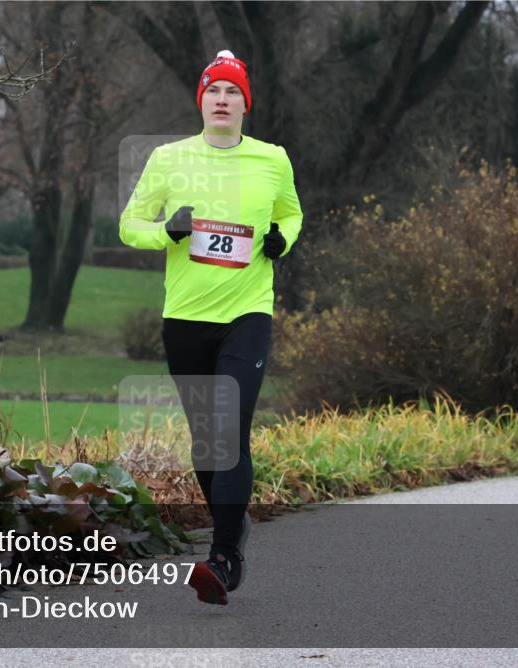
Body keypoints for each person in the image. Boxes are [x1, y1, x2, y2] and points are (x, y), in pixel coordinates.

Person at [118, 50, 303, 605]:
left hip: (247, 314)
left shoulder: (273, 159)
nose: (222, 100)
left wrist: (281, 240)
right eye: (213, 91)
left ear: (247, 104)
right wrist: (167, 232)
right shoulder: (169, 159)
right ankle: (234, 527)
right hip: (185, 319)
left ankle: (223, 557)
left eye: (232, 92)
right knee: (207, 443)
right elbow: (129, 225)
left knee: (228, 430)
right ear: (201, 101)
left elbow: (291, 213)